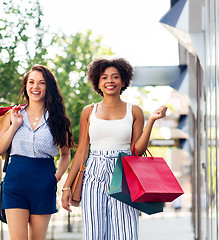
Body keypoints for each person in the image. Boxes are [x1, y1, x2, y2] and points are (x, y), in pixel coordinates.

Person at [61, 58, 167, 240]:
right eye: (104, 77)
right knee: (94, 233)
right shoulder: (89, 111)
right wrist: (66, 187)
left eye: (115, 77)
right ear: (98, 83)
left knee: (125, 232)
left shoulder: (134, 111)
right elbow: (81, 152)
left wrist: (151, 121)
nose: (110, 81)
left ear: (123, 81)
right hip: (94, 173)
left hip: (124, 173)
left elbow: (137, 152)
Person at [0, 65, 74, 240]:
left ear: (48, 87)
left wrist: (56, 177)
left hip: (44, 183)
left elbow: (65, 154)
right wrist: (14, 126)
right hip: (15, 183)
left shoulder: (58, 120)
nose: (35, 87)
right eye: (31, 82)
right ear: (26, 86)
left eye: (41, 83)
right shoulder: (13, 115)